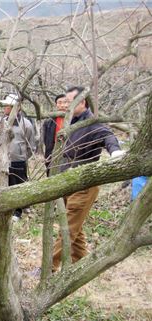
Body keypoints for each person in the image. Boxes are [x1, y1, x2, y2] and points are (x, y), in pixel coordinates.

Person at [52, 86, 124, 271]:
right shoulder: (71, 121)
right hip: (66, 179)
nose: (66, 105)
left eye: (70, 102)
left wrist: (115, 151)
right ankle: (82, 264)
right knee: (75, 225)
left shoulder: (93, 123)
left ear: (82, 102)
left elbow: (108, 136)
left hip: (84, 184)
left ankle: (49, 267)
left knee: (68, 227)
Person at [0, 94, 36, 221]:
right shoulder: (1, 121)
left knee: (18, 185)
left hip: (18, 161)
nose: (5, 108)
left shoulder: (26, 124)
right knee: (5, 185)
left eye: (8, 106)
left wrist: (22, 156)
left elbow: (31, 145)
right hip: (2, 160)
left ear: (17, 107)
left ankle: (18, 211)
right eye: (5, 106)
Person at [43, 94, 68, 175]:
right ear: (56, 104)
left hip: (68, 153)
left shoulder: (74, 119)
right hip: (52, 152)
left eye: (65, 102)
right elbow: (46, 140)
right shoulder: (49, 121)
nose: (62, 105)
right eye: (59, 103)